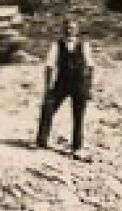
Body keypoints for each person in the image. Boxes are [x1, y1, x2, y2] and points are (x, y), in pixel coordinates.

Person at [36, 19, 96, 152]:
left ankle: (76, 147)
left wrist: (89, 87)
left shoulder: (84, 45)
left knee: (78, 116)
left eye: (72, 28)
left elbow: (91, 66)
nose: (70, 30)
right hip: (62, 82)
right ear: (63, 30)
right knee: (48, 108)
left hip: (79, 83)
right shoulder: (56, 45)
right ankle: (41, 141)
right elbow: (49, 66)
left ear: (77, 30)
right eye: (67, 28)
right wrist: (47, 87)